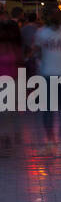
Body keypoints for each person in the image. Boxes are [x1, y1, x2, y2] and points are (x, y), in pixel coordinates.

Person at [35, 10, 61, 148]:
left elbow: (38, 52)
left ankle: (50, 139)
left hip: (48, 73)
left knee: (48, 108)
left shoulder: (41, 32)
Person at [0, 19, 22, 151]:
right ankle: (5, 137)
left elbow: (19, 64)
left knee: (7, 112)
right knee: (5, 112)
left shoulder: (14, 47)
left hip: (11, 82)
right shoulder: (14, 47)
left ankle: (5, 137)